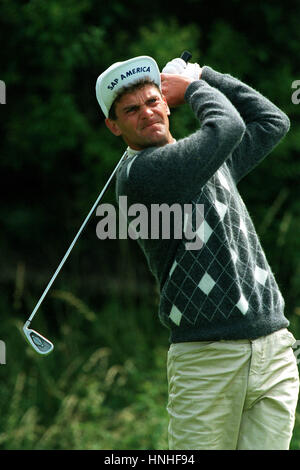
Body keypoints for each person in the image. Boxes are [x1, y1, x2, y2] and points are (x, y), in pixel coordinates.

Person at [95, 55, 299, 450]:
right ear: (113, 126)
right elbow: (228, 126)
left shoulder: (206, 159)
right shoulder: (141, 176)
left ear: (165, 104)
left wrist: (206, 74)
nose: (147, 113)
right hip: (207, 360)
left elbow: (273, 122)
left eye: (153, 101)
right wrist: (193, 88)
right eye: (131, 110)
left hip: (274, 349)